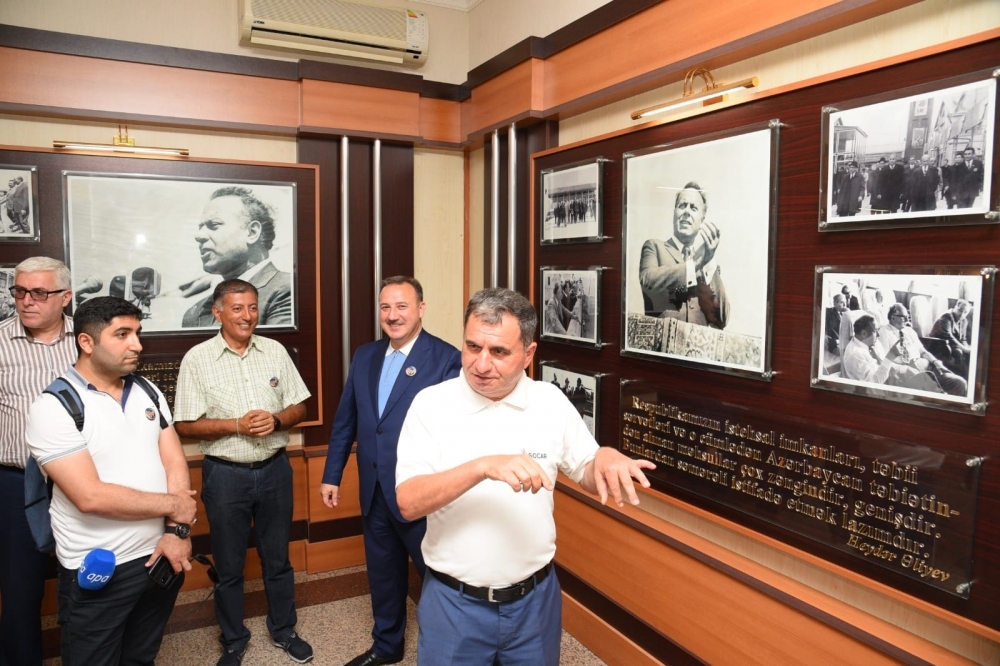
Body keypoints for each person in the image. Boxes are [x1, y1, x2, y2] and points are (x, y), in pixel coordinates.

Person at [395, 288, 655, 666]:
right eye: (472, 346)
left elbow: (585, 467)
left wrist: (603, 458)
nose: (481, 363)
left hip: (534, 604)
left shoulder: (550, 402)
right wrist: (482, 467)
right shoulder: (431, 405)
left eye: (499, 351)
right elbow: (408, 502)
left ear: (529, 354)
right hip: (454, 604)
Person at [25, 296, 197, 666]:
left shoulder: (147, 390)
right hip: (100, 568)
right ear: (86, 342)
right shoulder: (54, 407)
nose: (137, 345)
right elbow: (90, 496)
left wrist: (177, 531)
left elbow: (174, 461)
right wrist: (176, 506)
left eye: (138, 333)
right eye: (122, 334)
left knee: (141, 656)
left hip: (160, 555)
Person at [321, 276, 460, 666]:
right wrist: (332, 474)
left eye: (402, 306)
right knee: (383, 575)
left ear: (421, 309)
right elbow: (346, 419)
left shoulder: (446, 358)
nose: (393, 315)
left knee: (438, 579)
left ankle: (452, 651)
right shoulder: (365, 355)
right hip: (375, 490)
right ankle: (386, 645)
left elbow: (455, 431)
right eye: (386, 307)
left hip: (421, 492)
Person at [174, 279, 312, 666]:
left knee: (278, 559)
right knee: (229, 566)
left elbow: (300, 406)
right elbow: (184, 424)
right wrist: (235, 425)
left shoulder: (275, 351)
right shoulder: (197, 359)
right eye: (237, 308)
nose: (247, 316)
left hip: (274, 471)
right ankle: (233, 639)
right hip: (225, 476)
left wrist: (277, 420)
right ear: (217, 312)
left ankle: (284, 630)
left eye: (252, 307)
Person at [0, 257, 77, 666]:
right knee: (20, 589)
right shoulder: (0, 341)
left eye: (39, 292)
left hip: (83, 481)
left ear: (65, 297)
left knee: (86, 582)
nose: (26, 300)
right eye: (19, 291)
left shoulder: (88, 340)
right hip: (16, 484)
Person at [181, 187, 292, 328]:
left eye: (214, 225)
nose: (199, 236)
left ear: (252, 232)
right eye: (200, 227)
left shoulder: (289, 291)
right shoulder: (194, 314)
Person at [639, 182, 729, 328]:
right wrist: (694, 265)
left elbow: (722, 318)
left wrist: (710, 262)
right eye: (682, 206)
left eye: (693, 208)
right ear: (674, 213)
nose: (686, 211)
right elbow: (648, 283)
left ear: (702, 219)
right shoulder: (654, 247)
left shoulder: (708, 265)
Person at [877, 303, 967, 396]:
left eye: (908, 316)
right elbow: (885, 361)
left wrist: (936, 362)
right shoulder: (884, 333)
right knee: (936, 394)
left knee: (960, 383)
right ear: (893, 317)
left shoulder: (910, 331)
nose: (907, 320)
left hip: (928, 368)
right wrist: (906, 370)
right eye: (904, 317)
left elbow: (923, 351)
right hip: (910, 374)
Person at [929, 299, 972, 377]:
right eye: (960, 310)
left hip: (952, 345)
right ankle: (961, 377)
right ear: (955, 307)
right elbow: (948, 336)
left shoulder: (964, 321)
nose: (961, 314)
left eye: (965, 312)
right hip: (939, 345)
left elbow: (963, 339)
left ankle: (968, 377)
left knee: (970, 354)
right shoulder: (946, 317)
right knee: (959, 352)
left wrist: (968, 348)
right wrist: (964, 349)